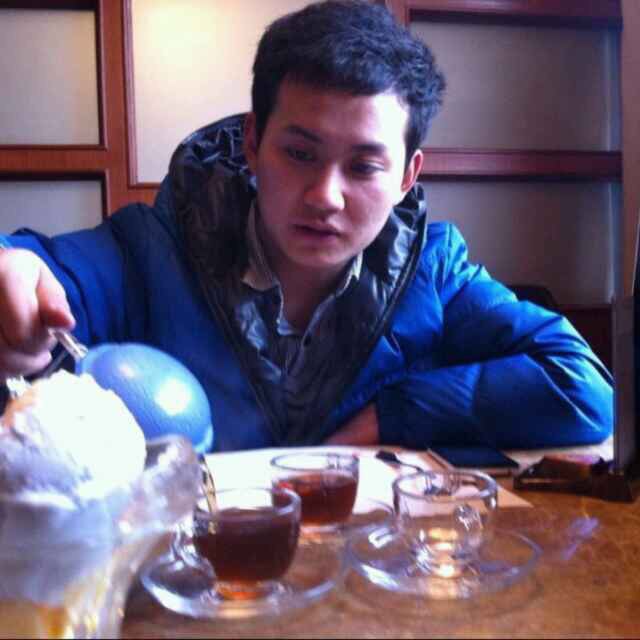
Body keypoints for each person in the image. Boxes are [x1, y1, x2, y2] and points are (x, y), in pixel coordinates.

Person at [0, 0, 612, 452]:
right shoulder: (149, 251)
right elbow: (34, 272)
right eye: (299, 153)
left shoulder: (432, 273)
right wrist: (15, 278)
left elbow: (583, 387)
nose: (325, 196)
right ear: (252, 141)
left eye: (364, 166)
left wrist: (391, 415)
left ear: (408, 176)